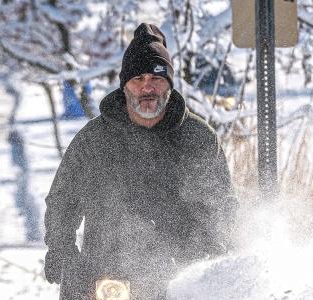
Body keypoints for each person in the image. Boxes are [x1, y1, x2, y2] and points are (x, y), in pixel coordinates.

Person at [43, 23, 237, 285]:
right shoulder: (95, 140)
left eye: (156, 79)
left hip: (184, 277)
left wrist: (214, 258)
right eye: (138, 79)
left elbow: (222, 205)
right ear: (125, 87)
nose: (148, 88)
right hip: (108, 276)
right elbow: (63, 199)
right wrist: (60, 249)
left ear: (168, 85)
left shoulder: (198, 138)